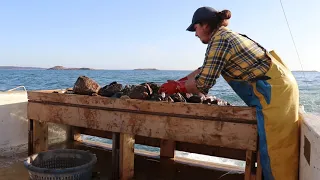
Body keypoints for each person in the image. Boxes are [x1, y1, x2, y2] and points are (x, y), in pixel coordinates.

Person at [159, 6, 300, 180]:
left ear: (204, 25)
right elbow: (204, 69)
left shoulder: (220, 40)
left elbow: (203, 83)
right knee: (268, 149)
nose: (195, 34)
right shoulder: (224, 36)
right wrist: (179, 81)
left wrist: (178, 88)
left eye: (195, 28)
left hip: (275, 92)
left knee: (275, 151)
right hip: (275, 87)